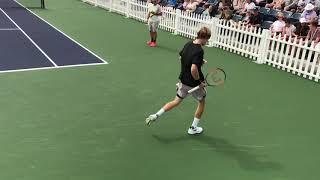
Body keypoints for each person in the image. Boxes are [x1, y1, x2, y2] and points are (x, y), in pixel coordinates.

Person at [145, 27, 211, 135]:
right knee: (202, 102)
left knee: (176, 101)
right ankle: (193, 128)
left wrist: (199, 61)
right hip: (193, 84)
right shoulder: (199, 50)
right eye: (207, 40)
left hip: (183, 81)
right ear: (204, 38)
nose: (207, 42)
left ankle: (156, 115)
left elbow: (181, 57)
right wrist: (199, 82)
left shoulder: (188, 44)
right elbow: (193, 69)